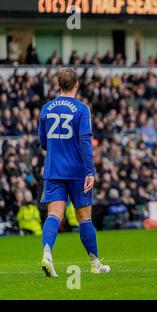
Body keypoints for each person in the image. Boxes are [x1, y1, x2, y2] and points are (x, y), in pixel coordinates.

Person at [39, 68, 110, 277]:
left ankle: (47, 255)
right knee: (84, 218)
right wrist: (90, 170)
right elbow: (85, 141)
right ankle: (95, 264)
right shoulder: (81, 109)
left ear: (58, 83)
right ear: (76, 84)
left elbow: (43, 141)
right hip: (78, 171)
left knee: (54, 215)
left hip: (53, 169)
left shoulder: (46, 108)